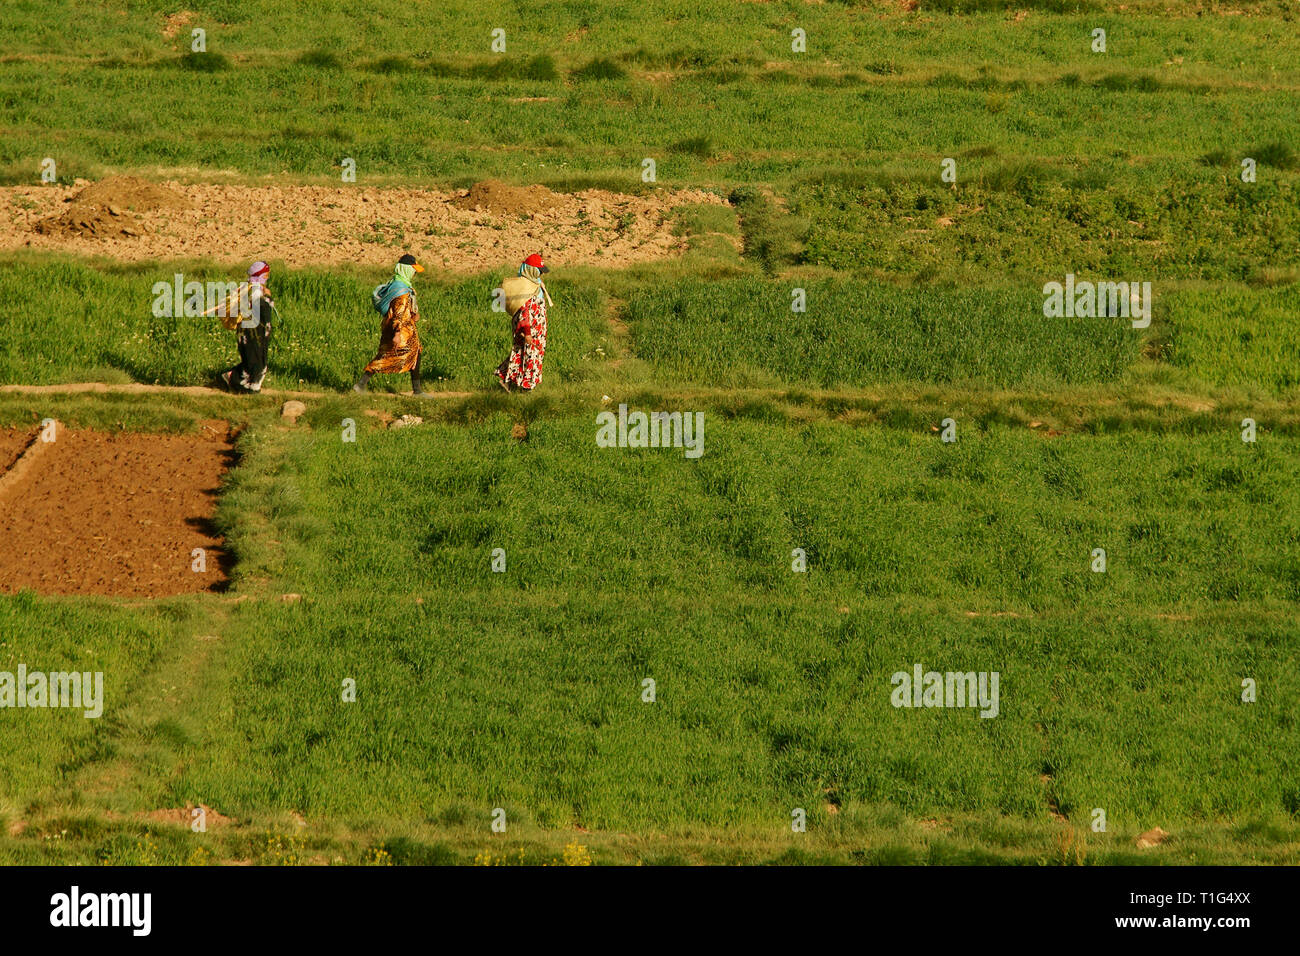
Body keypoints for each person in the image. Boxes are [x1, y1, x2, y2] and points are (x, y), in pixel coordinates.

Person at [354, 254, 426, 395]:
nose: (415, 273)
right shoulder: (401, 290)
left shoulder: (398, 284)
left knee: (415, 354)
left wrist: (413, 314)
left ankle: (417, 391)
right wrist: (397, 334)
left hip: (402, 328)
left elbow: (402, 310)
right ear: (406, 269)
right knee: (386, 357)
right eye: (413, 270)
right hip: (400, 330)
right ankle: (360, 384)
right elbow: (398, 313)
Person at [209, 260, 274, 394]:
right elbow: (260, 307)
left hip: (258, 332)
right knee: (254, 363)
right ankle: (237, 382)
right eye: (265, 276)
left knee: (259, 363)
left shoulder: (252, 289)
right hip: (251, 333)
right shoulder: (253, 291)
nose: (266, 279)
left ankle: (249, 388)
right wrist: (268, 297)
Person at [495, 253, 552, 392]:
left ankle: (507, 381)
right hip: (528, 329)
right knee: (530, 355)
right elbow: (525, 314)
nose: (541, 274)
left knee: (521, 353)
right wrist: (527, 332)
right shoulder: (526, 289)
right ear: (532, 270)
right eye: (539, 271)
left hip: (535, 330)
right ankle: (526, 388)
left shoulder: (534, 284)